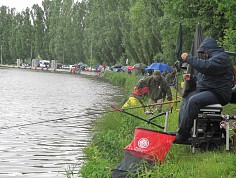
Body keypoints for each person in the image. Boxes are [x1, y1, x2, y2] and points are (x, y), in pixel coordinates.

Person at [174, 37, 233, 143]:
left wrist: (189, 58)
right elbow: (204, 78)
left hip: (219, 93)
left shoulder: (221, 58)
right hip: (210, 90)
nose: (203, 55)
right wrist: (192, 78)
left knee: (193, 101)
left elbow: (206, 67)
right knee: (186, 97)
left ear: (208, 50)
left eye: (204, 52)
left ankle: (183, 135)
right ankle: (181, 130)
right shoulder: (211, 59)